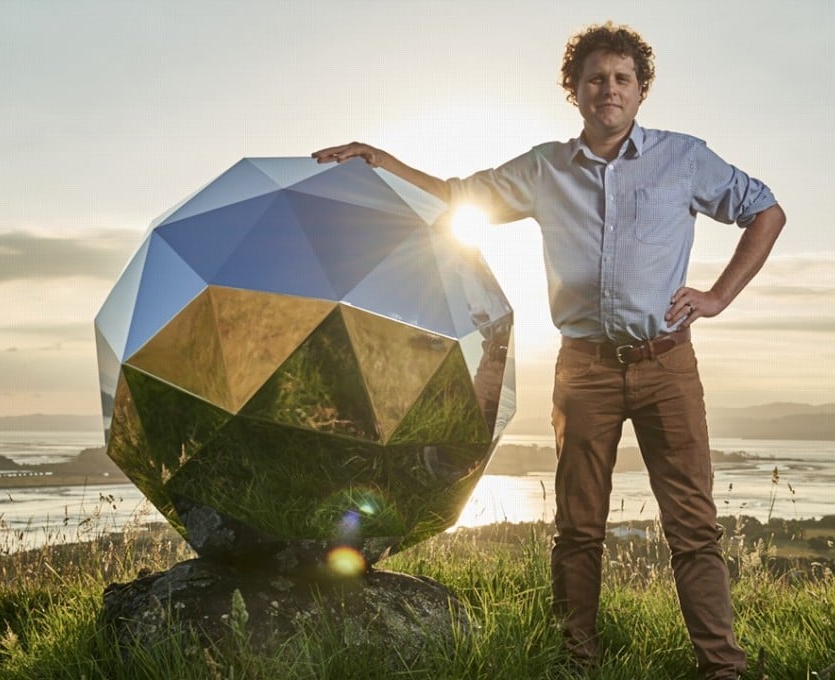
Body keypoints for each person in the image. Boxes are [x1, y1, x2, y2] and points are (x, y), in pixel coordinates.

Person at [313, 21, 784, 680]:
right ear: (576, 92)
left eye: (622, 79)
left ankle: (722, 669)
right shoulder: (545, 169)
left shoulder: (684, 159)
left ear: (642, 90)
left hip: (666, 365)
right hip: (584, 368)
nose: (609, 90)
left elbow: (765, 211)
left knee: (693, 526)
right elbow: (458, 194)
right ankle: (575, 663)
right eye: (596, 79)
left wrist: (718, 296)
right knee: (578, 528)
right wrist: (383, 162)